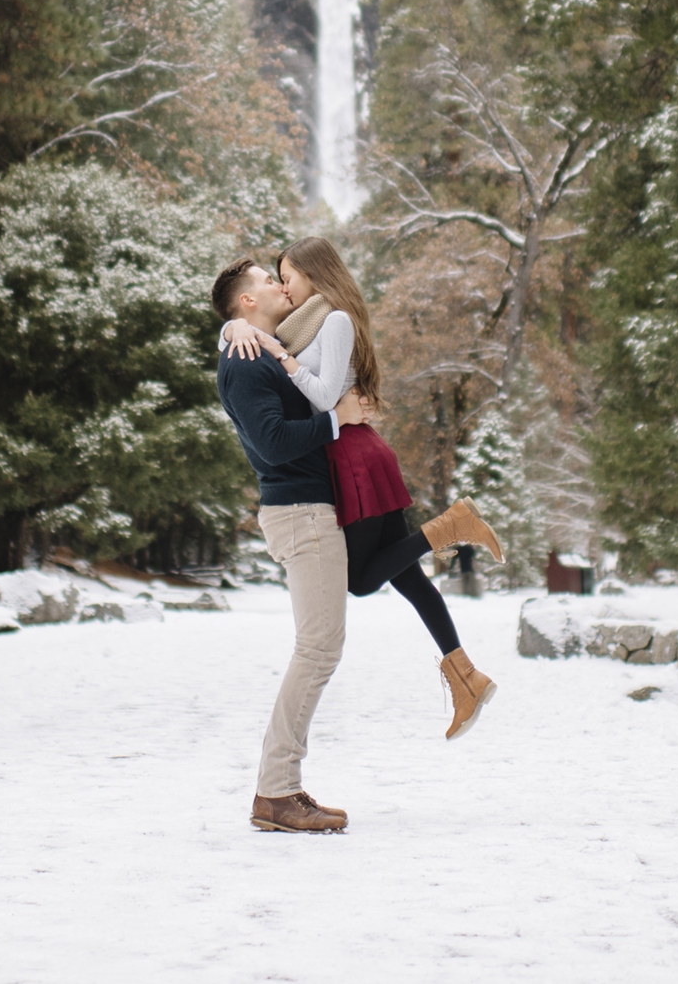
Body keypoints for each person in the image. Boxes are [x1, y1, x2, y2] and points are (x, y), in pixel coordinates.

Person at [224, 236, 505, 739]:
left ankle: (452, 526)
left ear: (314, 273)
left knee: (359, 580)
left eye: (287, 275)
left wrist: (286, 363)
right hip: (354, 451)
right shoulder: (302, 325)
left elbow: (325, 394)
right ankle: (467, 677)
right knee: (409, 578)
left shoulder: (330, 320)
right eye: (276, 279)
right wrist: (236, 326)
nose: (283, 286)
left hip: (352, 456)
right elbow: (257, 332)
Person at [213, 256, 351, 834]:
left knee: (319, 647)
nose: (278, 283)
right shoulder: (244, 361)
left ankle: (279, 787)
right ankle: (276, 791)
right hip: (300, 512)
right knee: (318, 650)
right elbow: (271, 443)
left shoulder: (258, 348)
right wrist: (337, 421)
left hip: (309, 509)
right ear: (247, 302)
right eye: (267, 281)